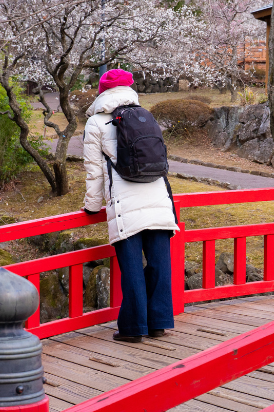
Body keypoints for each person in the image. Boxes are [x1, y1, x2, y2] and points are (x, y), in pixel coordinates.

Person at [81, 69, 178, 343]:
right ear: (129, 88)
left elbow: (94, 171)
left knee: (133, 267)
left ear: (102, 92)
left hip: (125, 204)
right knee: (160, 263)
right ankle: (159, 322)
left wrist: (91, 206)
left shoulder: (96, 123)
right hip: (158, 198)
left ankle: (134, 328)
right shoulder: (146, 115)